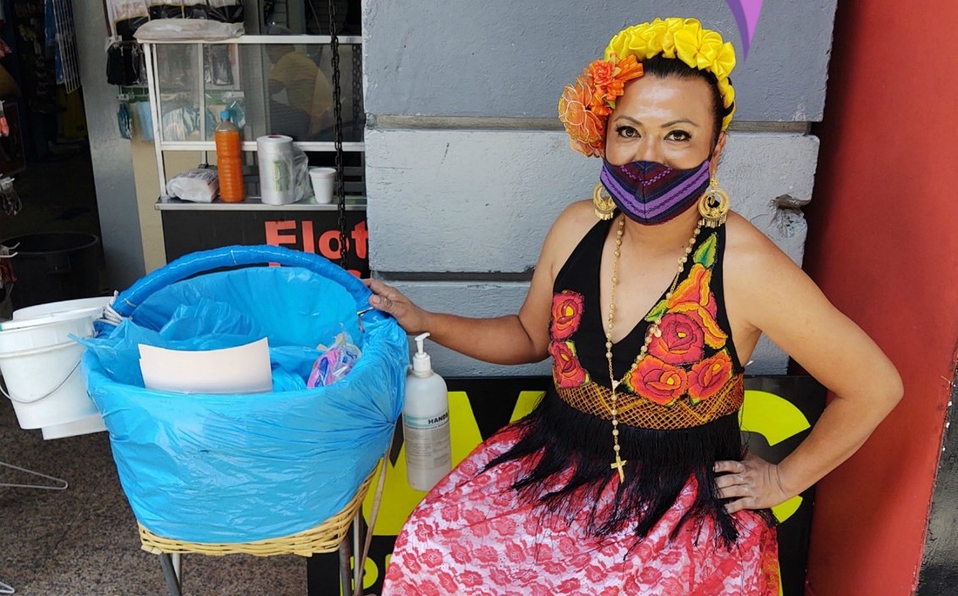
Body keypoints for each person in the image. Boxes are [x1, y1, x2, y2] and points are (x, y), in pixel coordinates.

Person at [367, 17, 902, 595]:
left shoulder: (744, 264)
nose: (648, 157)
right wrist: (428, 323)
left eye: (678, 135)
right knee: (431, 542)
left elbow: (874, 386)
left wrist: (782, 480)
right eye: (629, 131)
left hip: (678, 503)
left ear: (714, 147)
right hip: (556, 468)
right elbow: (528, 336)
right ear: (602, 135)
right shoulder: (576, 228)